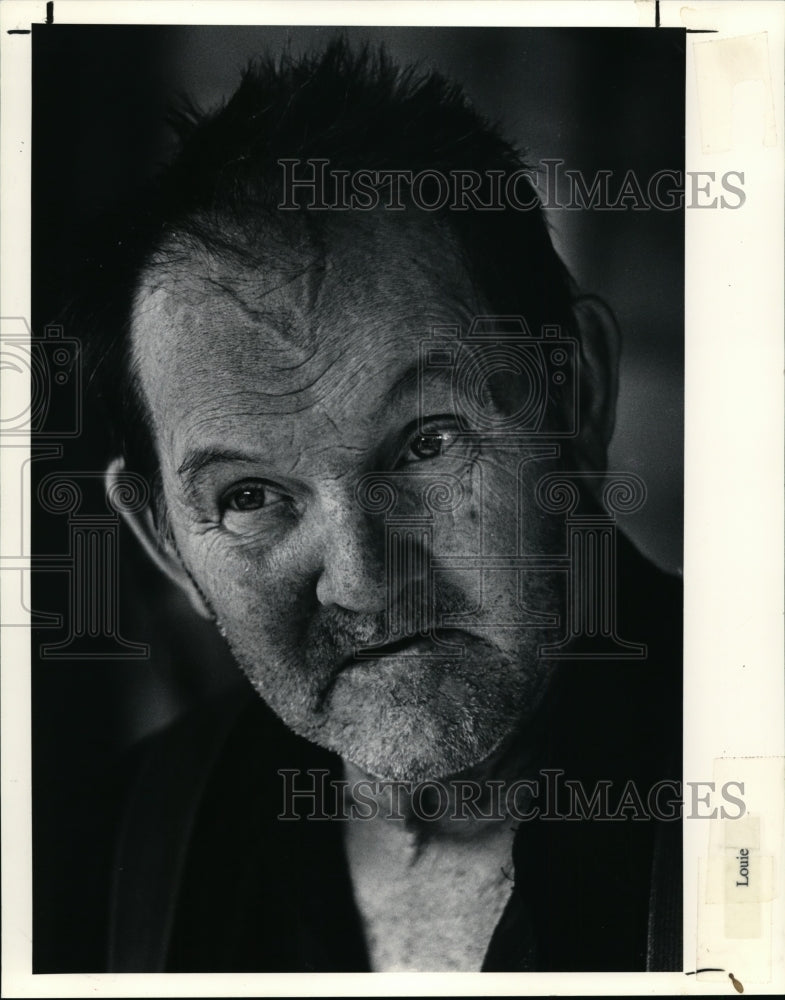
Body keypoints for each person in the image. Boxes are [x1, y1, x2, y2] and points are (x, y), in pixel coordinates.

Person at [60, 39, 682, 972]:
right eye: (251, 496)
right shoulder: (97, 870)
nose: (361, 580)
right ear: (162, 541)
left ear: (578, 391)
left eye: (427, 443)